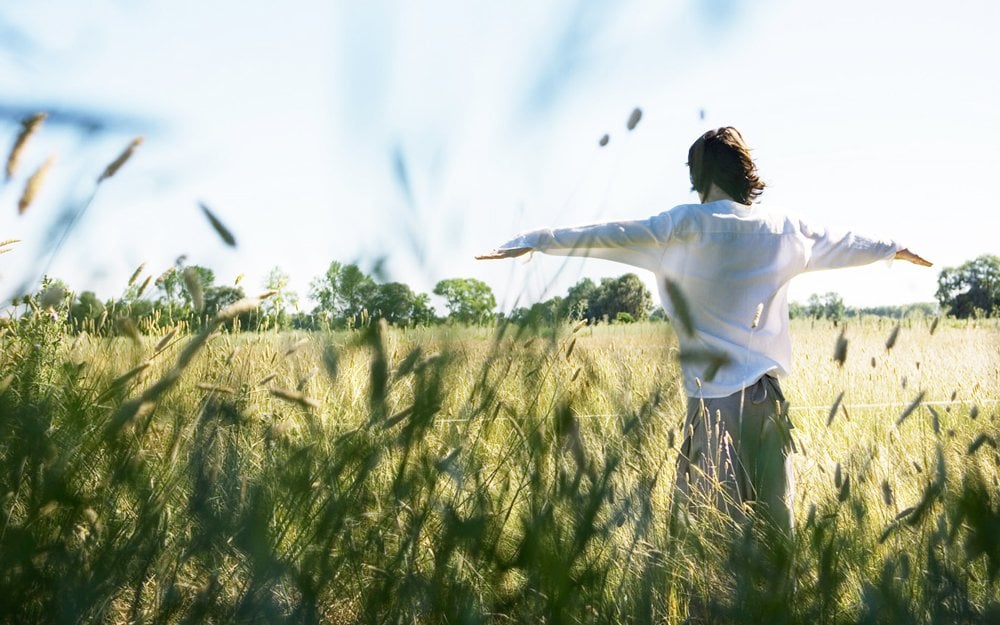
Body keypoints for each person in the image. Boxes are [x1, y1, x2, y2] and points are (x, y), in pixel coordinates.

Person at [476, 126, 931, 536]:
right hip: (768, 402)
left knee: (711, 530)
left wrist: (533, 239)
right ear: (744, 174)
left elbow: (605, 233)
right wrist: (894, 248)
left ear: (697, 176)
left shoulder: (680, 226)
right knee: (775, 525)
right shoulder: (782, 227)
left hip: (712, 405)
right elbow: (846, 241)